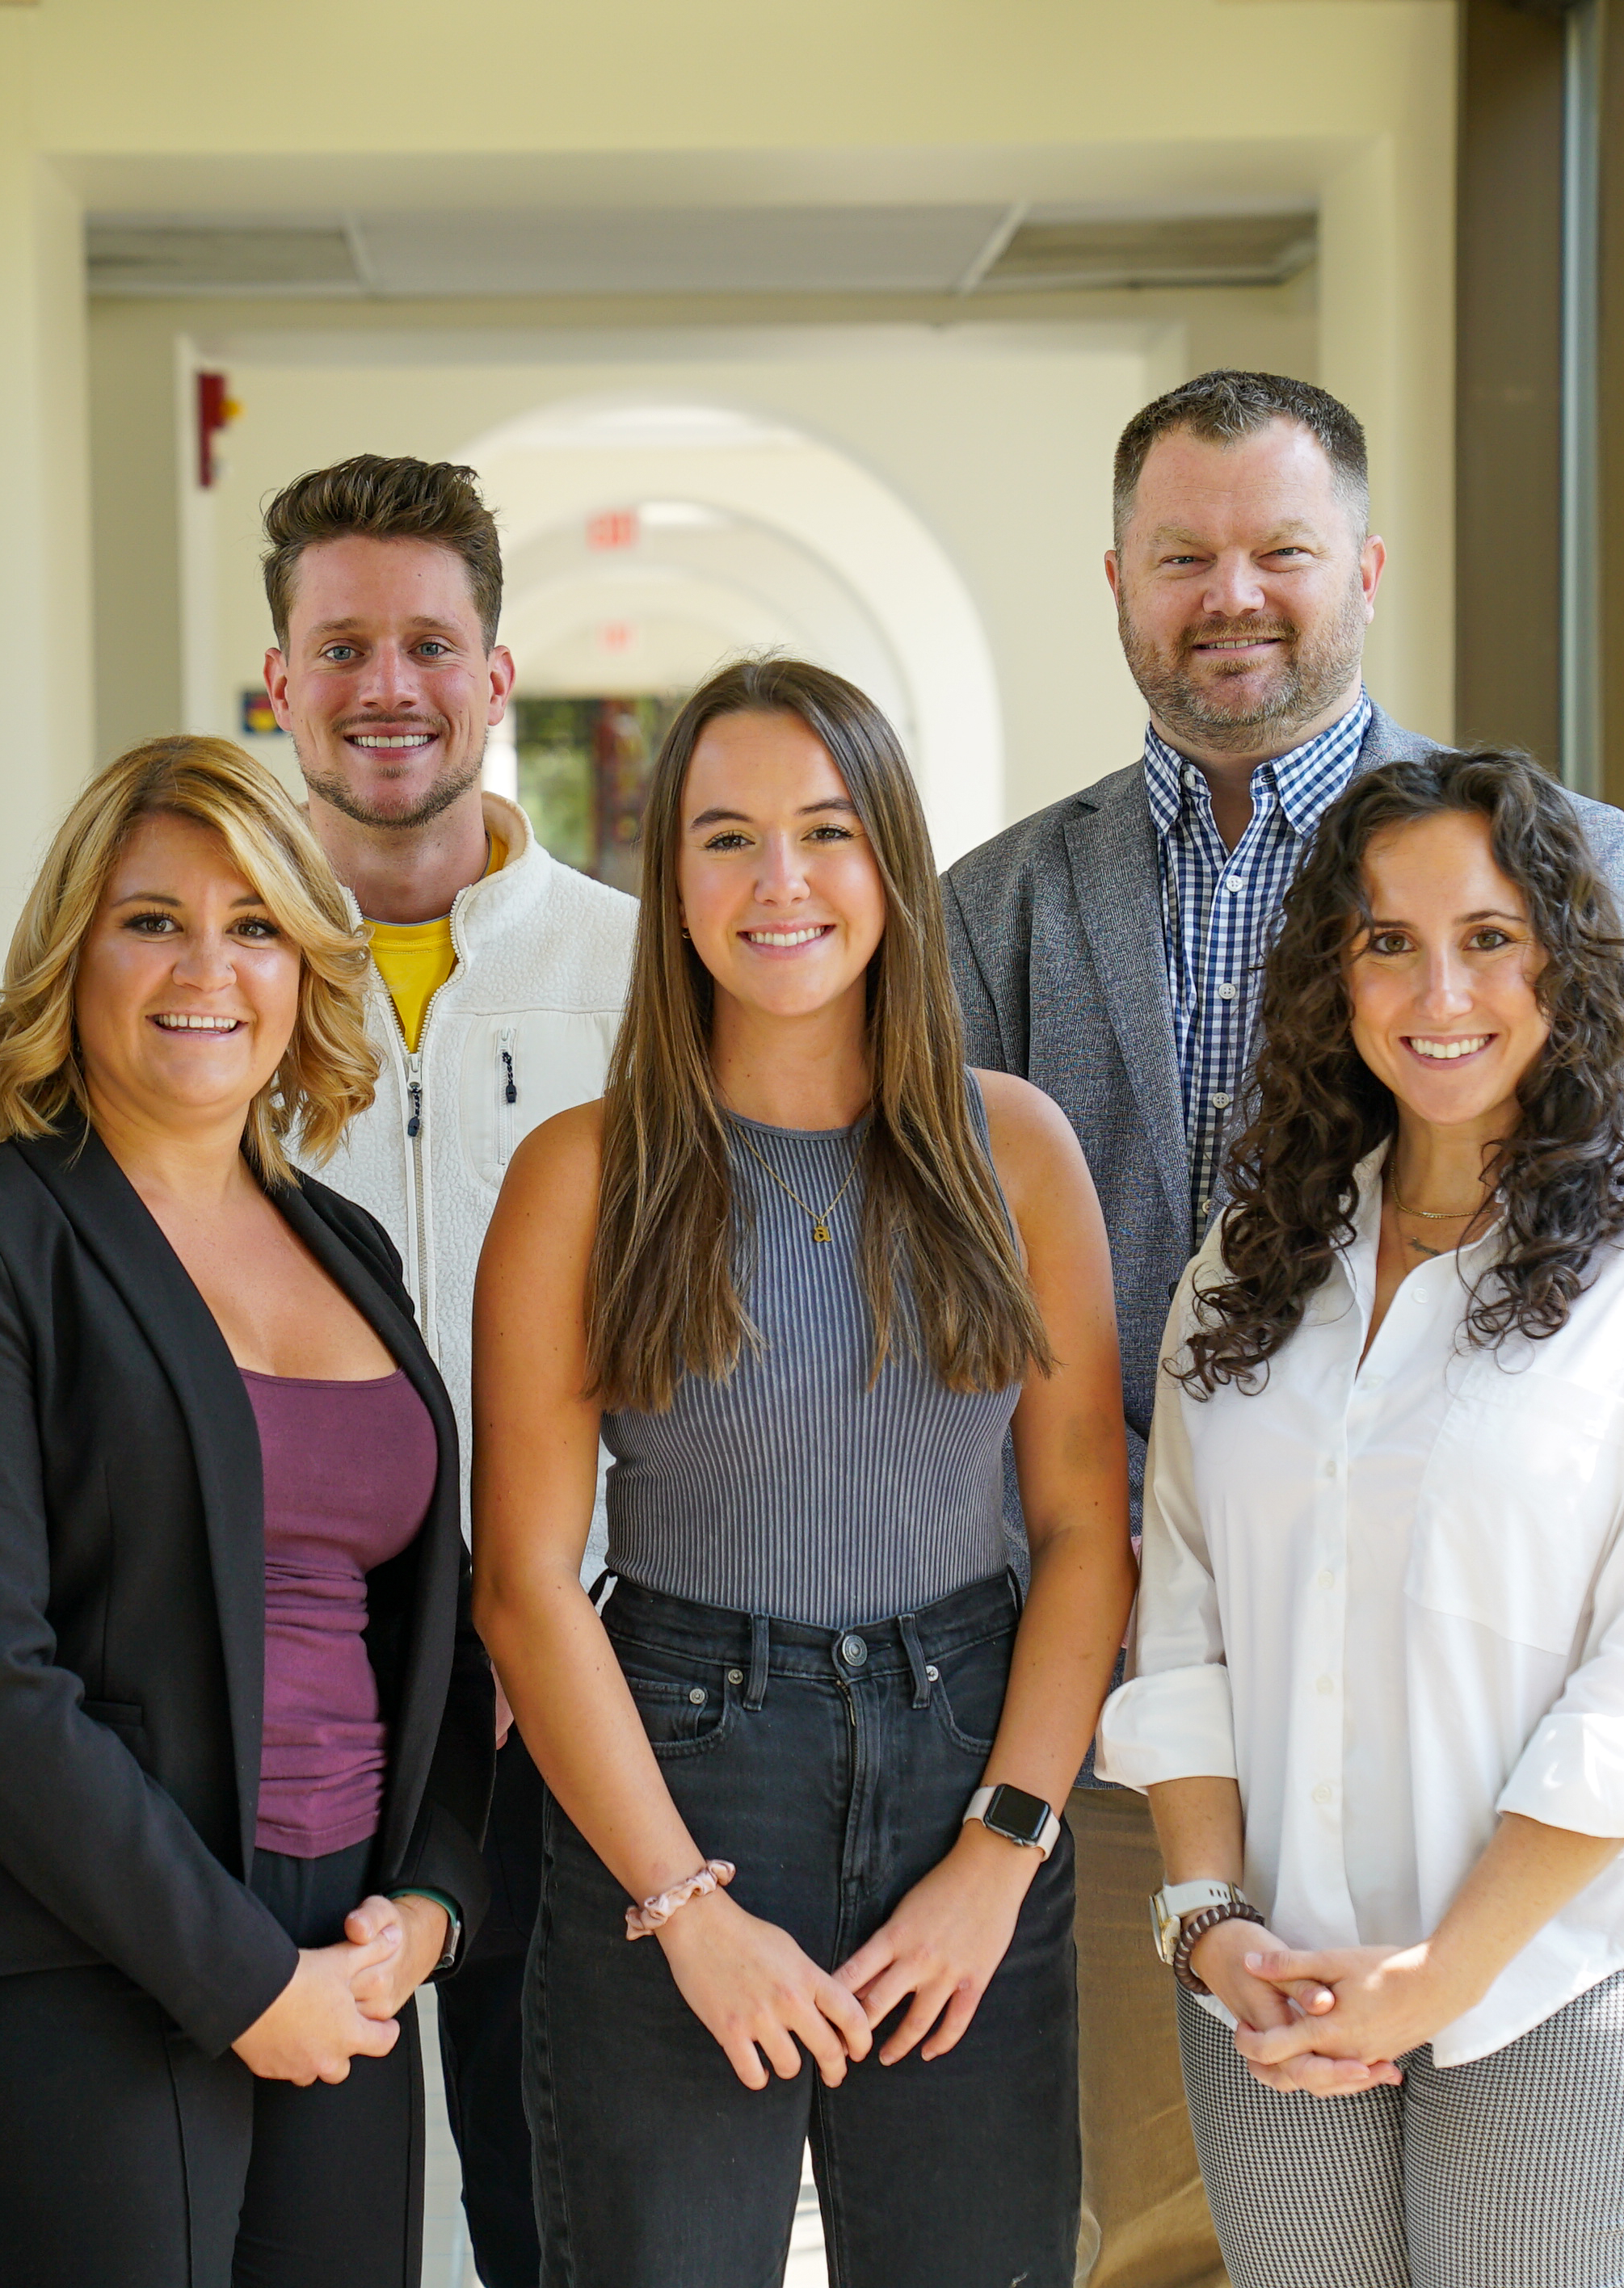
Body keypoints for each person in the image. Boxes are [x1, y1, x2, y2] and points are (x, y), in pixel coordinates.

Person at [940, 368, 1624, 2288]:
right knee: (1170, 2227)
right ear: (1114, 581)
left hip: (1470, 1697)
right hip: (1141, 1690)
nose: (1229, 594)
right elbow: (947, 1297)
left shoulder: (1557, 866)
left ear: (1358, 564)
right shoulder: (997, 907)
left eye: (1276, 549)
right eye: (1182, 556)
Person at [1100, 749, 1624, 2287]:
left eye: (1491, 937)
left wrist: (1441, 1976)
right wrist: (1208, 1920)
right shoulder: (1250, 1261)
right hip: (1273, 1989)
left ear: (1569, 955)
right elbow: (1184, 1623)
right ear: (1331, 977)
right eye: (1387, 941)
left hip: (1568, 1982)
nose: (1440, 989)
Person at [475, 657, 1138, 2286]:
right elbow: (522, 1587)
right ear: (667, 884)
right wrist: (680, 1906)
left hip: (965, 1758)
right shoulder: (583, 1173)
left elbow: (1079, 1533)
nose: (780, 883)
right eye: (724, 838)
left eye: (825, 831)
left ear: (893, 865)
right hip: (680, 1773)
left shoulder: (1016, 1154)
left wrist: (1001, 1853)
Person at [0, 734, 492, 2287]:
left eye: (256, 924)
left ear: (305, 965)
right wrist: (236, 1979)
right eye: (152, 920)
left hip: (343, 1949)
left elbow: (432, 1627)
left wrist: (430, 1907)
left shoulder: (345, 1246)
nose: (207, 967)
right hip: (69, 1963)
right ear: (73, 957)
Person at [264, 452, 638, 2286]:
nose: (385, 685)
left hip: (567, 1693)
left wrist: (575, 1614)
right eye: (340, 645)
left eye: (428, 643)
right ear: (275, 681)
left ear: (497, 679)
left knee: (558, 2214)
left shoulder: (641, 979)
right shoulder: (204, 984)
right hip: (292, 1692)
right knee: (300, 2208)